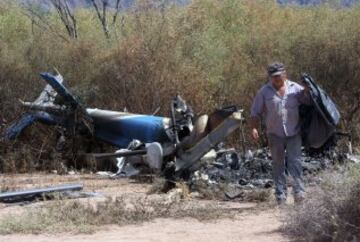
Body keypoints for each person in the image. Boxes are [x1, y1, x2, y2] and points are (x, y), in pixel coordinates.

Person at [250, 62, 310, 204]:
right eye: (274, 76)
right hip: (274, 134)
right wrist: (253, 128)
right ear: (270, 77)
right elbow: (255, 112)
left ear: (285, 74)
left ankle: (299, 193)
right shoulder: (264, 92)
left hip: (294, 132)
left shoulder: (296, 89)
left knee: (295, 163)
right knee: (278, 164)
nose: (277, 79)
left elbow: (308, 103)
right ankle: (281, 195)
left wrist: (308, 91)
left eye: (279, 75)